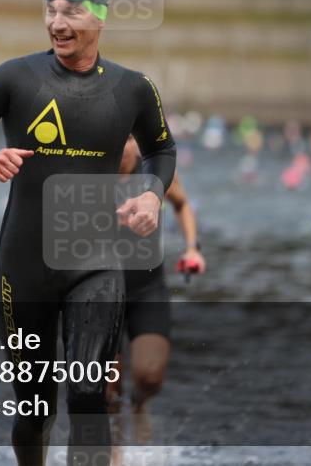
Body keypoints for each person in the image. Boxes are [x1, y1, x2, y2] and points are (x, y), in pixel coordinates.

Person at [0, 0, 176, 466]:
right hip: (24, 268)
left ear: (101, 18)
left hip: (97, 262)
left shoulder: (133, 88)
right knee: (34, 408)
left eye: (72, 12)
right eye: (52, 10)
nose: (58, 22)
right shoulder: (17, 78)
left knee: (88, 396)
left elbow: (162, 151)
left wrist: (151, 194)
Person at [107, 136, 205, 447]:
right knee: (108, 390)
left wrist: (192, 248)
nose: (124, 146)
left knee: (150, 377)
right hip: (100, 290)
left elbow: (182, 203)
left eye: (131, 138)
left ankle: (139, 403)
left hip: (147, 288)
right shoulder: (90, 172)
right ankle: (117, 451)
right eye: (118, 136)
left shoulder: (155, 172)